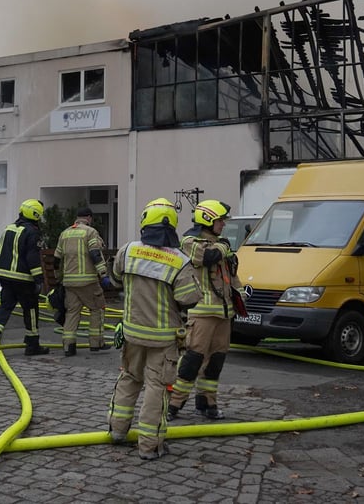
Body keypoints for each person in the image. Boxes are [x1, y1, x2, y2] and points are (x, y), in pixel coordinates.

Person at [107, 198, 202, 461]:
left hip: (131, 334)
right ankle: (150, 446)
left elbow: (114, 280)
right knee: (156, 388)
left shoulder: (127, 251)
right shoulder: (179, 261)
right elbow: (190, 298)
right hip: (162, 339)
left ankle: (116, 430)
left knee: (128, 378)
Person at [167, 200, 241, 421]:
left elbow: (231, 276)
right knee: (192, 360)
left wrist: (241, 294)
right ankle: (173, 405)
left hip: (224, 313)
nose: (223, 225)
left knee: (215, 362)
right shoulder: (191, 242)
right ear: (207, 220)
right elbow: (208, 257)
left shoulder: (221, 244)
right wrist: (224, 247)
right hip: (202, 314)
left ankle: (207, 402)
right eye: (220, 221)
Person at [0, 199, 51, 359]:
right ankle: (32, 344)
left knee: (5, 309)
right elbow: (32, 257)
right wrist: (38, 279)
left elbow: (0, 253)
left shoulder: (8, 229)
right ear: (36, 215)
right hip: (24, 280)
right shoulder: (32, 232)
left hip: (6, 279)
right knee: (31, 309)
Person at [54, 207, 111, 356]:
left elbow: (56, 258)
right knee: (97, 308)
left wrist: (57, 277)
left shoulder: (64, 233)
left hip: (69, 282)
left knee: (72, 312)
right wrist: (103, 274)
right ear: (89, 218)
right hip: (88, 281)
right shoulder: (90, 232)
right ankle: (96, 343)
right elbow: (95, 253)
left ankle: (68, 346)